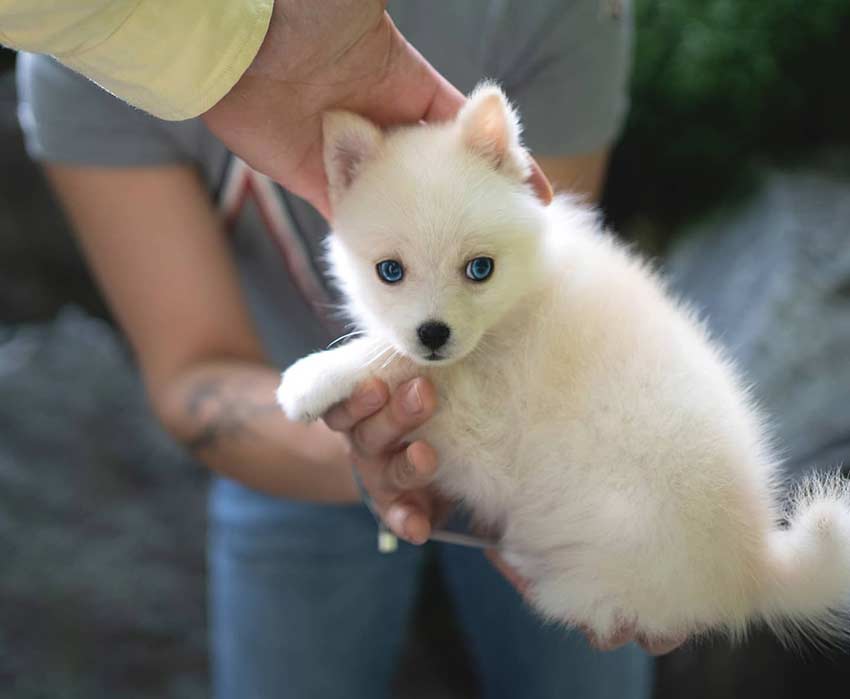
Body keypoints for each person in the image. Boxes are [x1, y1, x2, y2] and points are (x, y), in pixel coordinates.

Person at [17, 1, 663, 696]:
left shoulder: (552, 11)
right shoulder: (87, 41)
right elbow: (193, 377)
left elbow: (534, 295)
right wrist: (372, 453)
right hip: (284, 450)